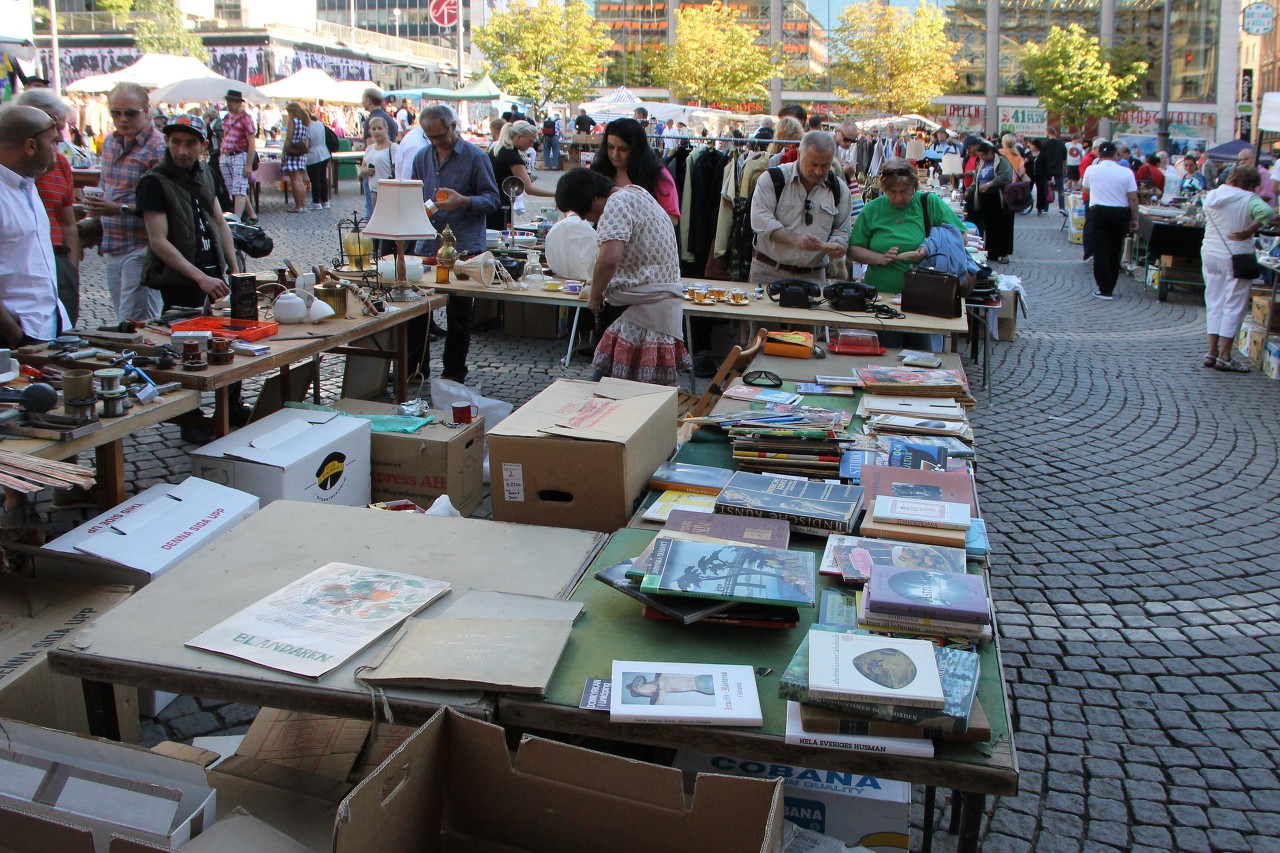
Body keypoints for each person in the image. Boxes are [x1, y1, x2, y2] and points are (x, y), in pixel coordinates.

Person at [135, 114, 247, 436]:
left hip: (214, 271)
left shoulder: (205, 173)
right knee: (188, 350)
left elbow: (219, 219)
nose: (182, 150)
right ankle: (190, 418)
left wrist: (234, 268)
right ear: (167, 143)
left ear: (203, 146)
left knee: (231, 341)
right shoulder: (154, 182)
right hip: (180, 279)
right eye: (176, 142)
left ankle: (232, 406)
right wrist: (199, 278)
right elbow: (158, 241)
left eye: (190, 143)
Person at [0, 105, 72, 542]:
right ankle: (15, 504)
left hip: (48, 320)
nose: (57, 146)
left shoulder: (27, 186)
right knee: (15, 423)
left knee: (53, 408)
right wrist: (12, 331)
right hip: (16, 329)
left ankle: (57, 488)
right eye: (52, 138)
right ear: (30, 145)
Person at [555, 168, 690, 386]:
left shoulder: (616, 204)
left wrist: (595, 297)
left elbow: (609, 259)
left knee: (612, 392)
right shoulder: (638, 194)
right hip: (656, 307)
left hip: (643, 313)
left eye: (582, 212)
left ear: (591, 198)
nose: (586, 219)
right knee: (620, 389)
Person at [409, 105, 500, 384]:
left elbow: (494, 199)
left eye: (439, 136)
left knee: (459, 314)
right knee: (416, 312)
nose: (435, 142)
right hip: (426, 245)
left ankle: (453, 373)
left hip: (465, 247)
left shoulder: (476, 157)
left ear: (453, 127)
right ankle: (415, 369)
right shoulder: (422, 156)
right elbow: (415, 192)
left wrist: (465, 201)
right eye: (430, 137)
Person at [87, 82, 166, 324]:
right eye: (116, 113)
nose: (122, 119)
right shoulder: (111, 142)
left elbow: (166, 206)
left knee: (136, 322)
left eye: (130, 113)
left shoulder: (158, 146)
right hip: (114, 243)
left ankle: (141, 362)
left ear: (146, 110)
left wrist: (117, 208)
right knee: (124, 317)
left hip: (143, 245)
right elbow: (106, 184)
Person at [848, 156, 966, 294]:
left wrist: (929, 247)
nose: (899, 197)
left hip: (923, 294)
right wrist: (880, 258)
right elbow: (853, 250)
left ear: (914, 186)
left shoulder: (929, 203)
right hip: (879, 294)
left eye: (904, 191)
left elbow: (962, 238)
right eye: (892, 192)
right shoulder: (872, 209)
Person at [748, 130, 851, 289]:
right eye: (813, 163)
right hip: (768, 272)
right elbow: (760, 221)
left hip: (814, 276)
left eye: (825, 165)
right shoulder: (772, 179)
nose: (818, 171)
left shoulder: (839, 189)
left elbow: (842, 230)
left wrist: (837, 245)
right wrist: (795, 239)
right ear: (799, 155)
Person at [15, 90, 82, 328]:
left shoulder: (59, 165)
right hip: (22, 276)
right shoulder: (16, 175)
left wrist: (70, 267)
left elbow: (68, 222)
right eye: (54, 130)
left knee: (63, 333)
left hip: (57, 259)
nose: (61, 139)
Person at [1200, 165, 1275, 372]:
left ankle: (1211, 351)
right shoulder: (1249, 199)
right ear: (1250, 184)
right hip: (1236, 255)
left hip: (1210, 251)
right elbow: (1267, 212)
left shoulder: (1213, 194)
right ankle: (1225, 355)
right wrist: (1249, 229)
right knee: (1234, 304)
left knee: (1214, 301)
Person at [589, 117, 680, 223]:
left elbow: (672, 218)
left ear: (636, 148)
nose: (615, 154)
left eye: (623, 149)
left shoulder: (657, 174)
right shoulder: (596, 170)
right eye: (610, 147)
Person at [1080, 141, 1137, 301]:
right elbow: (1133, 198)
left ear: (1099, 155)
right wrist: (1135, 218)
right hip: (1120, 212)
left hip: (1099, 211)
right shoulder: (1126, 173)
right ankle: (1110, 284)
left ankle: (1104, 288)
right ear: (1115, 155)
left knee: (1100, 249)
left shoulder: (1091, 169)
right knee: (1115, 249)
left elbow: (1086, 189)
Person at [487, 120, 554, 231]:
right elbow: (529, 188)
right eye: (530, 141)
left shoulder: (498, 149)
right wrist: (556, 194)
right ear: (519, 137)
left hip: (489, 202)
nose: (531, 145)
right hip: (500, 206)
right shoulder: (512, 156)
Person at [972, 141, 1016, 263]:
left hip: (999, 198)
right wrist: (972, 190)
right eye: (979, 156)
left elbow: (1006, 177)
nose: (981, 158)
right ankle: (991, 252)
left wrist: (990, 184)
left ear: (990, 152)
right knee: (989, 226)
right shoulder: (982, 163)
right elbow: (976, 178)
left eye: (983, 155)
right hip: (985, 199)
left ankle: (1003, 253)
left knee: (1001, 227)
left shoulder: (1001, 161)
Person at [218, 89, 256, 222]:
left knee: (239, 188)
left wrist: (249, 165)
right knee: (234, 188)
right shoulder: (227, 117)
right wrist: (221, 152)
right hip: (226, 155)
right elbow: (225, 136)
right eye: (227, 100)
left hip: (240, 154)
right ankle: (252, 215)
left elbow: (251, 142)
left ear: (238, 102)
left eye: (230, 101)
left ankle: (237, 221)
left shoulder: (246, 118)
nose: (228, 103)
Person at [359, 115, 398, 210]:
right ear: (370, 131)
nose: (377, 131)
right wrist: (363, 172)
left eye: (380, 128)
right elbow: (362, 169)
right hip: (372, 190)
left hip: (389, 192)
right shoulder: (369, 149)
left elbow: (398, 170)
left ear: (386, 129)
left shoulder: (393, 148)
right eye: (374, 129)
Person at [280, 102, 311, 213]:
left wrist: (284, 152)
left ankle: (298, 205)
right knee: (300, 180)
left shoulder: (293, 121)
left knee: (295, 180)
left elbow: (289, 138)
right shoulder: (305, 121)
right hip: (301, 152)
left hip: (293, 151)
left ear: (291, 111)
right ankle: (302, 205)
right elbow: (307, 138)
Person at [305, 110, 333, 210]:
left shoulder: (307, 128)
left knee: (315, 180)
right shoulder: (320, 124)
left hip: (313, 155)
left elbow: (306, 145)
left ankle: (316, 201)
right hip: (324, 153)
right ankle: (325, 201)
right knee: (322, 178)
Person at [1039, 126, 1068, 214]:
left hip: (1047, 168)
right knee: (1060, 189)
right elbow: (1064, 157)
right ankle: (1062, 207)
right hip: (1058, 167)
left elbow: (1042, 158)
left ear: (1047, 132)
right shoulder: (1061, 144)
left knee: (1047, 188)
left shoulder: (1044, 144)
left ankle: (1045, 208)